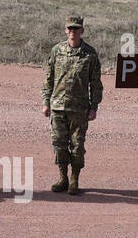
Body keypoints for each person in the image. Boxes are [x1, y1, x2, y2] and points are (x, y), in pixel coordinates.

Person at [41, 15, 102, 195]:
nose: (73, 31)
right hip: (58, 107)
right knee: (59, 145)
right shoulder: (56, 50)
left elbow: (96, 83)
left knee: (77, 146)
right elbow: (48, 79)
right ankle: (63, 177)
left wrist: (94, 107)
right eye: (70, 28)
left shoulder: (90, 54)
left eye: (76, 28)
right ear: (65, 30)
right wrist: (45, 102)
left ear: (82, 30)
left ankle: (74, 178)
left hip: (79, 109)